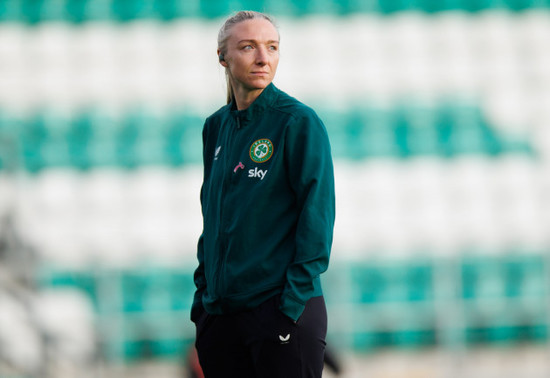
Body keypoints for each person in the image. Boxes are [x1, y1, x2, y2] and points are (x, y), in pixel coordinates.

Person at [190, 10, 335, 378]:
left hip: (279, 311)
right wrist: (203, 302)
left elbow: (316, 218)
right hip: (221, 318)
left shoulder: (298, 122)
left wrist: (291, 304)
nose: (262, 57)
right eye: (248, 47)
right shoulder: (215, 128)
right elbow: (215, 218)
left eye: (271, 47)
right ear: (223, 57)